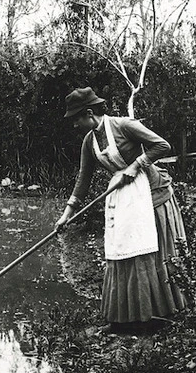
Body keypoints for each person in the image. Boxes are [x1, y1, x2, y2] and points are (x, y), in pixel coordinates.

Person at [55, 87, 188, 334]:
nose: (74, 125)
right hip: (124, 198)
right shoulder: (89, 141)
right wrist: (67, 215)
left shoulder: (124, 125)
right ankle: (122, 319)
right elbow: (82, 180)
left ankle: (157, 316)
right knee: (121, 251)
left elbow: (162, 145)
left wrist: (136, 165)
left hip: (151, 196)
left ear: (89, 113)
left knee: (149, 253)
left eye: (76, 119)